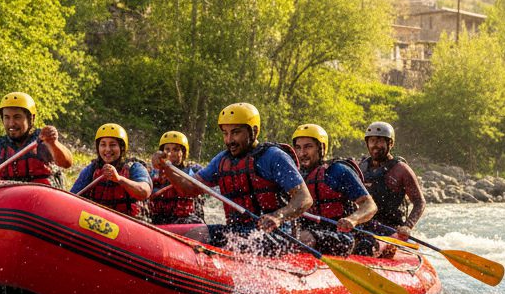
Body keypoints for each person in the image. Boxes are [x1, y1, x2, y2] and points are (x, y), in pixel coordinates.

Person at [154, 102, 312, 250]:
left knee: (237, 243)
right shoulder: (222, 160)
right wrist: (166, 168)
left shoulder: (273, 156)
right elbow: (189, 189)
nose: (229, 140)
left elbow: (304, 199)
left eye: (235, 133)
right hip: (236, 230)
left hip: (274, 236)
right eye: (225, 133)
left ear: (254, 131)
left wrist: (278, 217)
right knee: (195, 235)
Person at [291, 123, 377, 256]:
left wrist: (353, 219)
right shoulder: (294, 175)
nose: (302, 153)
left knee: (303, 238)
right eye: (298, 147)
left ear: (322, 148)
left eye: (308, 147)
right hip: (310, 232)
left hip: (342, 237)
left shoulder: (337, 171)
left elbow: (369, 205)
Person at [0, 91, 73, 185]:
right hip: (9, 202)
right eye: (7, 117)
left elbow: (67, 163)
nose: (11, 123)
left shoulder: (44, 141)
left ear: (31, 119)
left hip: (42, 201)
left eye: (17, 117)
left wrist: (53, 143)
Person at [357, 122, 425, 242]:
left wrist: (407, 226)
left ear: (391, 143)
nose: (375, 145)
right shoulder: (361, 168)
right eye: (372, 141)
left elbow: (419, 202)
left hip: (391, 229)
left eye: (380, 141)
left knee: (368, 246)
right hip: (364, 226)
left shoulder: (401, 169)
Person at [71, 123, 152, 219]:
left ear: (122, 148)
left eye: (113, 145)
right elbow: (72, 197)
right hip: (97, 221)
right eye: (103, 145)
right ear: (98, 148)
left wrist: (119, 179)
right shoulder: (91, 169)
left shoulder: (134, 167)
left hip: (128, 223)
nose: (107, 149)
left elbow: (144, 192)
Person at [148, 130, 205, 225]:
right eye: (167, 149)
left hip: (187, 220)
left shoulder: (194, 170)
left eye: (176, 149)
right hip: (159, 219)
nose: (171, 153)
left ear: (183, 153)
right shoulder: (154, 172)